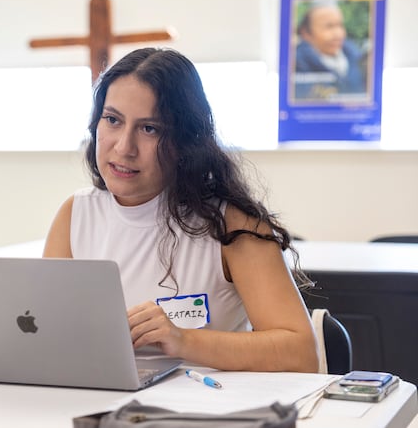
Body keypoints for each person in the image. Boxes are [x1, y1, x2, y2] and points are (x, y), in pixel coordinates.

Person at [44, 47, 319, 373]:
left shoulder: (232, 224)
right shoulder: (76, 213)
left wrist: (183, 340)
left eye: (149, 128)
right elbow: (44, 333)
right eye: (113, 120)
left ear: (185, 142)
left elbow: (301, 353)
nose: (124, 147)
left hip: (207, 400)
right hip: (105, 398)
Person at [294, 0, 366, 99]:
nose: (338, 34)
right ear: (305, 32)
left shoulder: (356, 58)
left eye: (340, 25)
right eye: (329, 26)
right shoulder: (296, 65)